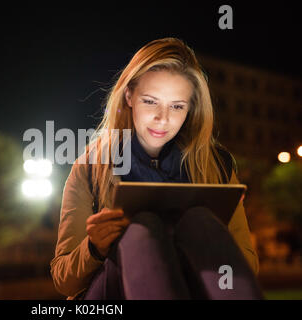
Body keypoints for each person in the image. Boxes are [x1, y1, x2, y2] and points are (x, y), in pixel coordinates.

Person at [50, 37, 262, 300]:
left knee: (199, 219)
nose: (163, 118)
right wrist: (94, 248)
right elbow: (63, 280)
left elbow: (248, 266)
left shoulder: (216, 165)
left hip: (194, 286)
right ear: (129, 95)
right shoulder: (92, 166)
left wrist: (217, 238)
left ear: (191, 108)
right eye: (150, 101)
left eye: (176, 106)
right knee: (142, 225)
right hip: (113, 292)